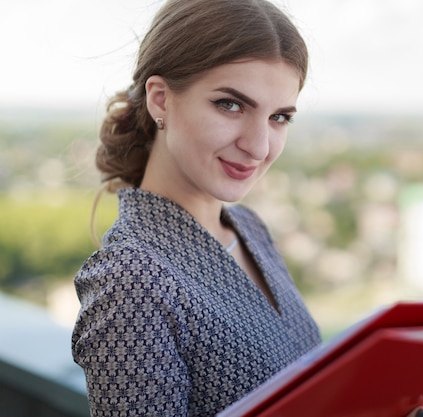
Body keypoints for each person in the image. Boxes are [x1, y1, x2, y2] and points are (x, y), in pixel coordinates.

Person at [70, 0, 321, 415]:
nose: (258, 146)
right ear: (161, 100)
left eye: (279, 117)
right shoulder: (131, 279)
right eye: (230, 104)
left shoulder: (246, 226)